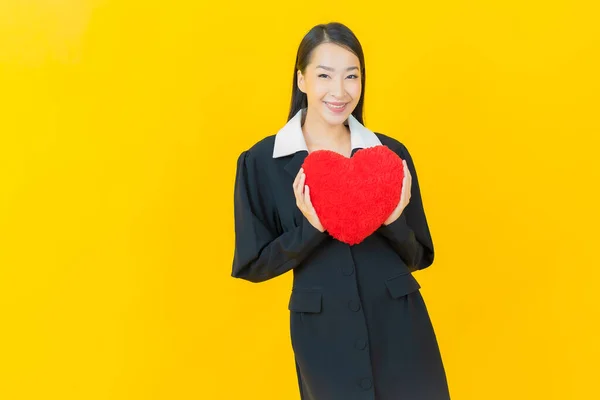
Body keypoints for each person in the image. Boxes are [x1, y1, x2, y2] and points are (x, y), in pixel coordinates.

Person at [231, 22, 451, 400]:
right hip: (323, 334)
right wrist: (310, 229)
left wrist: (393, 222)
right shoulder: (262, 162)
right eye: (324, 75)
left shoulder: (389, 155)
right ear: (301, 80)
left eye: (352, 76)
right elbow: (252, 264)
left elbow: (420, 255)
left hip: (400, 325)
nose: (340, 90)